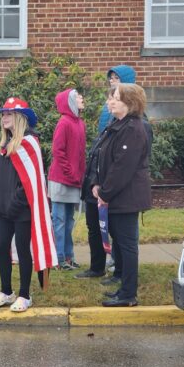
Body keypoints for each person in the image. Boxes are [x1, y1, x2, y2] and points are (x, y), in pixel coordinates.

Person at [0, 98, 57, 313]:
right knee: (1, 248)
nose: (4, 117)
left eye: (8, 114)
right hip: (4, 208)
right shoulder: (4, 145)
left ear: (19, 117)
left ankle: (25, 294)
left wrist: (14, 203)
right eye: (3, 114)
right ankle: (6, 291)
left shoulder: (29, 143)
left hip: (22, 209)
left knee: (23, 251)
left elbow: (31, 182)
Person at [92, 83, 151, 307]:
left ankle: (128, 294)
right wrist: (97, 184)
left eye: (116, 98)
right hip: (115, 197)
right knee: (120, 245)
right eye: (112, 97)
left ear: (130, 102)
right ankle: (123, 288)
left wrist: (105, 193)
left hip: (126, 198)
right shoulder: (118, 125)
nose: (111, 101)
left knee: (127, 246)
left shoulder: (134, 129)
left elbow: (122, 168)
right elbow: (103, 159)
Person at [74, 88, 115, 280]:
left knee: (110, 231)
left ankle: (116, 269)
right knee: (94, 230)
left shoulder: (119, 131)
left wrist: (102, 187)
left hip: (105, 191)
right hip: (92, 189)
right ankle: (96, 267)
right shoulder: (104, 135)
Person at [47, 89, 86, 270]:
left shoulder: (80, 123)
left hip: (74, 180)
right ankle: (58, 258)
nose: (81, 99)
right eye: (77, 96)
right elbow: (58, 151)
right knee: (59, 221)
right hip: (61, 180)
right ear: (69, 101)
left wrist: (79, 175)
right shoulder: (64, 123)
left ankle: (69, 256)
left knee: (69, 221)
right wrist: (71, 173)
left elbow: (80, 154)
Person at [98, 65, 136, 134]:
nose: (111, 80)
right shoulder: (110, 98)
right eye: (111, 78)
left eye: (116, 78)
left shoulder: (132, 104)